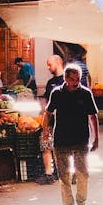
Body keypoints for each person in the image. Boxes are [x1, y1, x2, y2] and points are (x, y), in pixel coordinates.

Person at [43, 62, 99, 205]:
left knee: (83, 174)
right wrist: (45, 132)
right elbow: (48, 113)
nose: (77, 82)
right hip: (61, 140)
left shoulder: (86, 93)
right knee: (64, 177)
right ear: (66, 79)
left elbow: (93, 117)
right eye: (73, 79)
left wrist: (96, 139)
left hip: (81, 140)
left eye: (79, 79)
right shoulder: (57, 93)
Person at [36, 54, 64, 184]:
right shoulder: (50, 83)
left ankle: (65, 172)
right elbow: (47, 103)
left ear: (58, 63)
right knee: (45, 142)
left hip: (66, 120)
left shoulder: (68, 80)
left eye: (50, 64)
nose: (48, 67)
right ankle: (49, 174)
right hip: (51, 119)